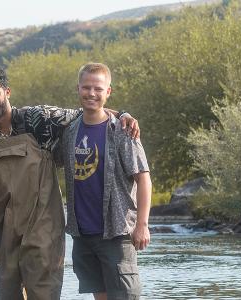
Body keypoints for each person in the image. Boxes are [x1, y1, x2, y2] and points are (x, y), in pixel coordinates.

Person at [0, 64, 139, 300]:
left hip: (44, 227)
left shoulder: (39, 118)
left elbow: (88, 110)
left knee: (43, 293)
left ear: (7, 92)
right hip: (5, 231)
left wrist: (122, 114)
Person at [55, 63, 152, 300]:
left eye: (98, 89)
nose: (91, 93)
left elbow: (143, 178)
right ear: (78, 89)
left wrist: (142, 224)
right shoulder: (70, 131)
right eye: (86, 87)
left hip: (117, 234)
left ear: (108, 92)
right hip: (82, 235)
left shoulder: (123, 131)